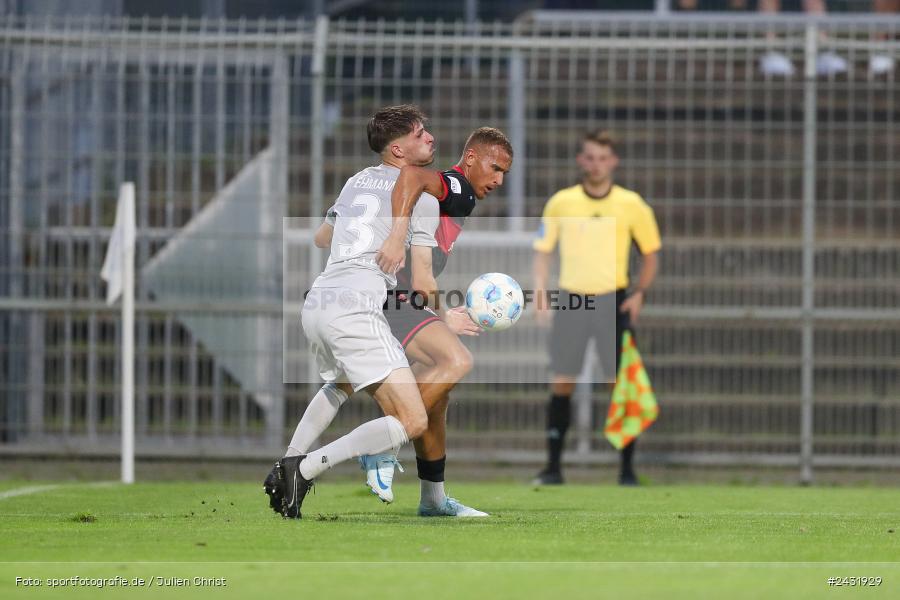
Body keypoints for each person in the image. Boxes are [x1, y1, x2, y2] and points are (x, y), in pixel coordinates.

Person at [278, 127, 513, 517]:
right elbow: (413, 177)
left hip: (367, 293)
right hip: (394, 296)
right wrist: (400, 233)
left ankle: (432, 499)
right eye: (495, 167)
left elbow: (322, 238)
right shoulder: (457, 186)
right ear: (471, 158)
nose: (498, 180)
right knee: (455, 362)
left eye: (505, 173)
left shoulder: (366, 182)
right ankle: (380, 448)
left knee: (424, 389)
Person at [264, 104, 439, 519]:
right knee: (413, 421)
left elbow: (321, 238)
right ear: (398, 150)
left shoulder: (355, 180)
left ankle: (289, 458)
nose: (429, 138)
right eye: (419, 134)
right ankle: (302, 469)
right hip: (356, 305)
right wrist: (459, 313)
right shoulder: (422, 195)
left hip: (320, 301)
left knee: (339, 384)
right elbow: (425, 284)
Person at [532, 129, 660, 487]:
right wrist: (540, 291)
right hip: (572, 299)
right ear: (580, 160)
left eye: (603, 158)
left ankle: (627, 470)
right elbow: (543, 251)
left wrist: (639, 293)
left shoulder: (632, 204)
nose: (596, 164)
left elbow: (651, 255)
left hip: (613, 302)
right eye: (590, 157)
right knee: (562, 382)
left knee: (622, 385)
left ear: (613, 161)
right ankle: (553, 468)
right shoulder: (562, 202)